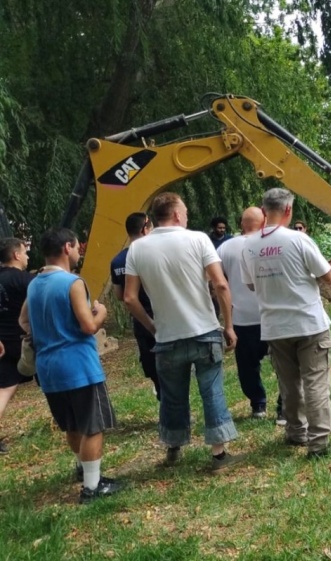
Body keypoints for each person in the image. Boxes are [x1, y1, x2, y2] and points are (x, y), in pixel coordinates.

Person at [124, 193, 243, 472]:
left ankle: (173, 448)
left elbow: (129, 298)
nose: (187, 214)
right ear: (177, 214)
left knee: (172, 394)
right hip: (204, 330)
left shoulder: (138, 249)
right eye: (185, 210)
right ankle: (218, 454)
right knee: (211, 390)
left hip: (167, 336)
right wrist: (228, 325)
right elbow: (220, 285)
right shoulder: (199, 239)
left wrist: (152, 326)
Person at [20, 228, 122, 503]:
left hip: (48, 367)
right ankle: (92, 486)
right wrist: (100, 313)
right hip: (78, 365)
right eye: (77, 247)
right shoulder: (72, 283)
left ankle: (83, 468)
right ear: (67, 247)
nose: (79, 252)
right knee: (92, 424)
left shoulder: (34, 282)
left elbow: (23, 321)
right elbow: (88, 326)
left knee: (71, 425)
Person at [241, 188, 331, 456]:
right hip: (309, 323)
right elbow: (327, 276)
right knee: (316, 381)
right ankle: (319, 443)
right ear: (288, 210)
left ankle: (296, 433)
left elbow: (250, 284)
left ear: (263, 211)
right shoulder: (299, 240)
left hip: (274, 325)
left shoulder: (248, 245)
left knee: (290, 383)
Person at [217, 207, 274, 420]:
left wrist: (227, 322)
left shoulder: (225, 247)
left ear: (242, 224)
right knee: (284, 364)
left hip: (241, 318)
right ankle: (284, 406)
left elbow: (215, 282)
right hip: (271, 315)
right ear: (264, 222)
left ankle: (258, 404)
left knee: (248, 367)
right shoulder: (272, 244)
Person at [109, 213, 159, 401]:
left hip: (140, 320)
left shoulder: (117, 261)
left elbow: (120, 295)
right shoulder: (153, 253)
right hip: (161, 315)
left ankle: (160, 391)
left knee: (152, 363)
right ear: (145, 229)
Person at [0, 238, 34, 454]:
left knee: (4, 389)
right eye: (25, 252)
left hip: (2, 344)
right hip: (23, 343)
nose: (28, 256)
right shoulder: (26, 280)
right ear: (16, 255)